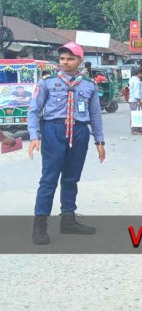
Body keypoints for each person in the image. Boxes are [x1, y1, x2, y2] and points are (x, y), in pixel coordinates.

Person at [27, 42, 106, 245]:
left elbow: (95, 115)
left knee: (71, 178)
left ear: (80, 60)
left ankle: (68, 220)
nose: (65, 62)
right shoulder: (47, 82)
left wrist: (99, 140)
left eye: (70, 58)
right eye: (62, 58)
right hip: (54, 130)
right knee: (49, 179)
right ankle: (40, 225)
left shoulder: (89, 85)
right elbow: (34, 110)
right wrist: (34, 136)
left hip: (79, 132)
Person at [128, 68, 142, 135]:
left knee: (139, 114)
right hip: (135, 100)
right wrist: (138, 101)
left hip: (135, 100)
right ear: (139, 74)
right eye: (141, 73)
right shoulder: (136, 81)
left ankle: (140, 129)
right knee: (135, 115)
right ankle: (134, 130)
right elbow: (136, 92)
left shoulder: (133, 80)